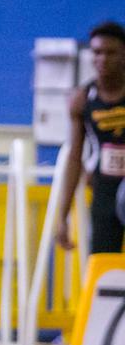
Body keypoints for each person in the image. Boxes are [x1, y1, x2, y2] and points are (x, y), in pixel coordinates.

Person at [54, 21, 125, 254]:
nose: (103, 59)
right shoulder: (82, 99)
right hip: (104, 190)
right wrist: (62, 215)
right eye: (97, 52)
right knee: (103, 261)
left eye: (110, 52)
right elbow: (75, 158)